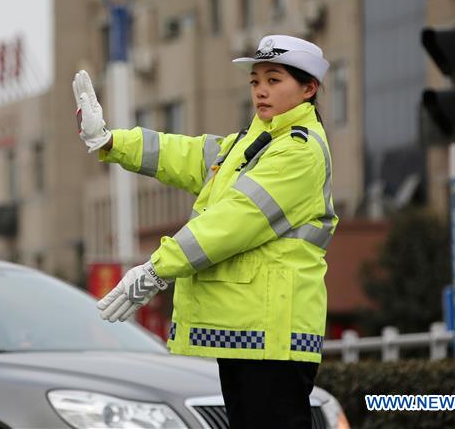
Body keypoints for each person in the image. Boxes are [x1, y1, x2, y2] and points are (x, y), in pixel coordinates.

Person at [73, 34, 337, 429]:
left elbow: (231, 222)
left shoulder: (297, 150)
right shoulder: (255, 143)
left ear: (309, 88)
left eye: (274, 79)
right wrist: (111, 140)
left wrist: (156, 269)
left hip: (274, 332)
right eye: (255, 81)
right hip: (256, 329)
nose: (261, 91)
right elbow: (187, 155)